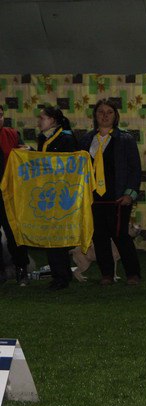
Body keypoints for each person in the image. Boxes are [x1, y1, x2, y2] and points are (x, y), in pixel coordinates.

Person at [79, 99, 142, 285]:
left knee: (121, 235)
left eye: (109, 112)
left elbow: (135, 169)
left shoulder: (125, 139)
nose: (105, 115)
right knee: (99, 237)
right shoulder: (86, 140)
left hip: (118, 197)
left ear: (116, 116)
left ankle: (133, 274)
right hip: (93, 198)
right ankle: (106, 274)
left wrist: (130, 194)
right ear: (95, 116)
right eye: (100, 112)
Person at [35, 107, 80, 290]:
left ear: (53, 120)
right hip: (47, 192)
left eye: (42, 118)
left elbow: (73, 164)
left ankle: (61, 276)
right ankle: (61, 273)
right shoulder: (42, 138)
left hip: (61, 193)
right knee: (50, 234)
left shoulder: (66, 138)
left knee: (57, 236)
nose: (39, 121)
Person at [0, 105, 31, 285]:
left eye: (0, 115)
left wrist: (29, 150)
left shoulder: (12, 134)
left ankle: (22, 270)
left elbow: (26, 153)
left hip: (10, 194)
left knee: (14, 233)